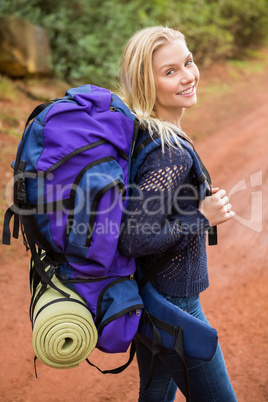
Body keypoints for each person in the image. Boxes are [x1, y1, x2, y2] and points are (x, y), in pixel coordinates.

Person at [117, 26, 237, 402]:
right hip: (175, 306)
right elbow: (134, 237)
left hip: (151, 294)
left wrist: (191, 202)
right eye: (170, 71)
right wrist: (202, 216)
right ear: (146, 82)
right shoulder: (169, 151)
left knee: (155, 393)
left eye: (187, 62)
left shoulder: (143, 133)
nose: (188, 76)